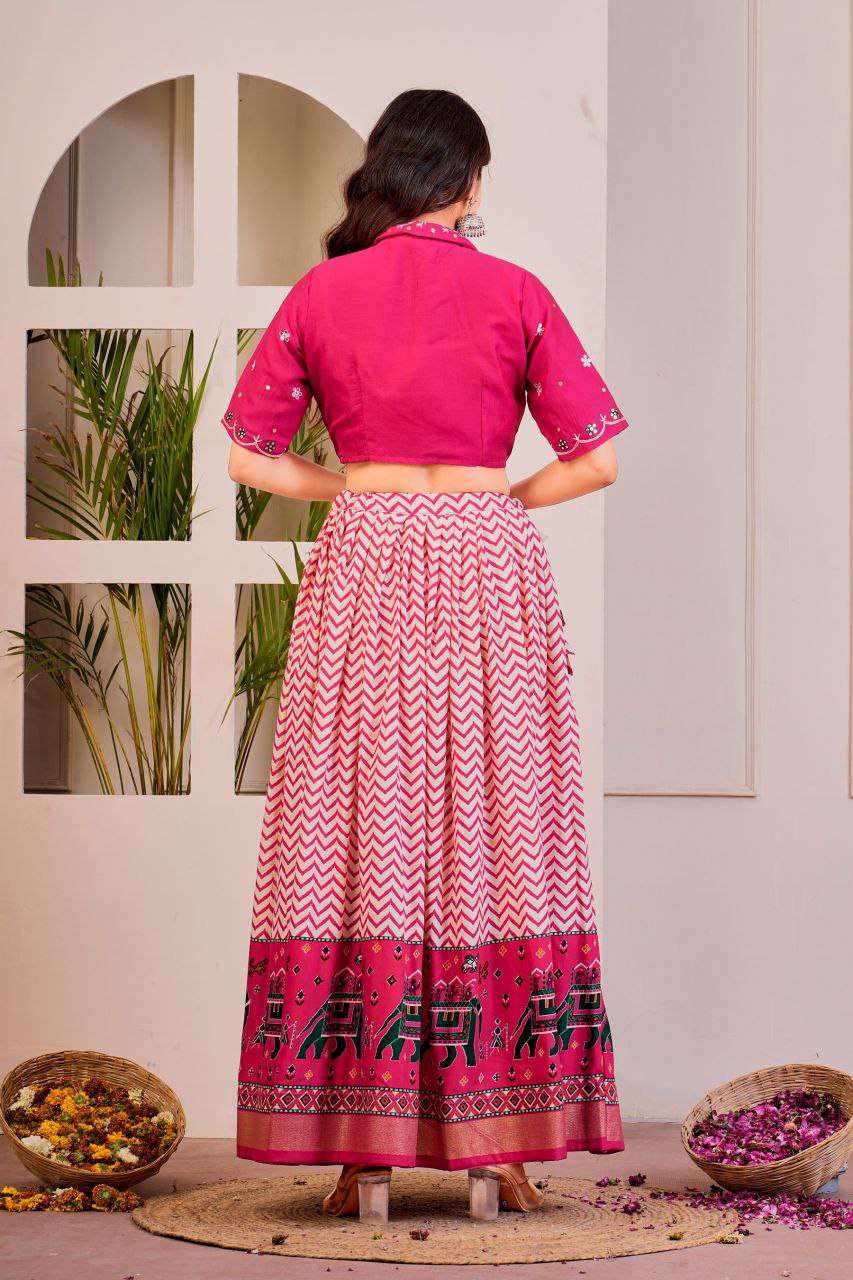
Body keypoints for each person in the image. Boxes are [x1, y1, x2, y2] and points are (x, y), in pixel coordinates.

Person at [224, 88, 627, 1224]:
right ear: (470, 181)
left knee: (357, 817)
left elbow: (250, 454)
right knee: (504, 819)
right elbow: (598, 456)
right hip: (489, 560)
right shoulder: (516, 290)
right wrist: (498, 501)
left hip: (368, 557)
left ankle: (361, 1150)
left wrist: (354, 486)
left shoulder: (322, 292)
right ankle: (504, 1143)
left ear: (386, 173)